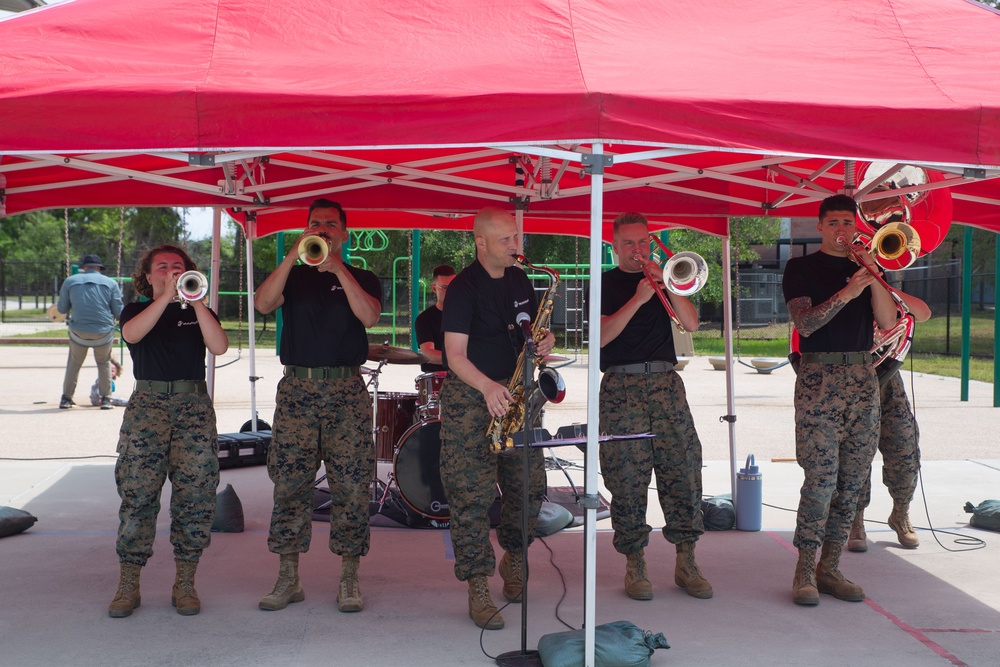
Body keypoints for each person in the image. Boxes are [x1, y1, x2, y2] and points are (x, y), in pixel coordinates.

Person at [253, 198, 382, 614]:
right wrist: (294, 254)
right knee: (290, 485)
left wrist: (338, 270)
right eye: (314, 223)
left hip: (346, 392)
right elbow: (262, 304)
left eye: (330, 224)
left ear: (345, 233)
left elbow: (370, 317)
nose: (322, 229)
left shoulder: (361, 276)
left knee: (351, 487)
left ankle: (348, 578)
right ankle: (288, 578)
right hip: (297, 391)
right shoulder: (292, 276)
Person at [438, 206, 555, 630]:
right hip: (474, 399)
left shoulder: (521, 279)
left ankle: (514, 559)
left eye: (517, 237)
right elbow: (454, 356)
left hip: (518, 395)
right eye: (506, 239)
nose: (516, 246)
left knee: (530, 487)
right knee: (471, 498)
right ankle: (477, 587)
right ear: (481, 242)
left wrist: (544, 339)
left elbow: (531, 331)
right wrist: (488, 387)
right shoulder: (463, 288)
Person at [782, 194, 897, 606]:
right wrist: (850, 290)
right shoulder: (801, 268)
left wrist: (874, 275)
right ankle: (804, 570)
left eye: (847, 223)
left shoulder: (866, 267)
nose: (841, 231)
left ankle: (829, 569)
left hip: (863, 379)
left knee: (851, 482)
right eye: (833, 223)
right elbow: (806, 322)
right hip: (819, 379)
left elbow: (887, 321)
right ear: (820, 226)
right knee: (821, 480)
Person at [109, 244, 229, 618]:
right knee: (138, 496)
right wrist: (163, 297)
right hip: (148, 409)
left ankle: (185, 583)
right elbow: (131, 334)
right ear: (148, 276)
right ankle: (129, 584)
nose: (172, 272)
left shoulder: (196, 311)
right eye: (162, 267)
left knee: (195, 497)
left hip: (193, 408)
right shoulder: (136, 309)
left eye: (179, 267)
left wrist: (194, 301)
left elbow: (219, 346)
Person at [597, 212, 711, 602]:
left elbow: (692, 324)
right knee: (626, 477)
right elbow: (599, 338)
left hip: (665, 384)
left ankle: (686, 561)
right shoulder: (605, 283)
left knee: (683, 470)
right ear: (614, 248)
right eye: (629, 244)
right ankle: (636, 564)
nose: (638, 250)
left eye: (644, 242)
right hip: (620, 386)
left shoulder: (665, 280)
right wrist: (638, 298)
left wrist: (667, 284)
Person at [848, 291, 931, 552]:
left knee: (905, 450)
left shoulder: (884, 290)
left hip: (888, 383)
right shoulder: (842, 289)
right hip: (853, 383)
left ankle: (900, 513)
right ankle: (856, 520)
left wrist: (880, 282)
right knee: (857, 457)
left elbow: (924, 313)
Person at [56, 254, 124, 409]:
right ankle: (106, 399)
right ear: (99, 268)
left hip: (78, 332)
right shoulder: (111, 283)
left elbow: (62, 309)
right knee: (104, 363)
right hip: (103, 332)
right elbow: (119, 311)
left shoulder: (70, 281)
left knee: (74, 364)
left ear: (84, 267)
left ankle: (66, 398)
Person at [414, 264, 457, 373]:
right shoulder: (425, 319)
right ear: (434, 288)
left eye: (454, 286)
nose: (451, 291)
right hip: (437, 378)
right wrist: (461, 360)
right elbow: (428, 354)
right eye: (445, 288)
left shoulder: (469, 314)